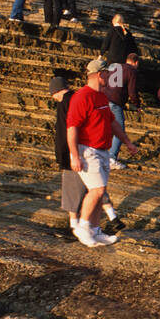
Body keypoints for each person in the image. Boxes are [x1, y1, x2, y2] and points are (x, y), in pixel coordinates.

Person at [66, 57, 138, 246]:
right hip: (87, 150)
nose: (110, 76)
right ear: (99, 75)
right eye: (107, 73)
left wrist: (127, 142)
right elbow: (72, 128)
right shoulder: (82, 97)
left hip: (102, 150)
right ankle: (82, 227)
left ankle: (95, 230)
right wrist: (74, 155)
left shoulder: (101, 96)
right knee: (97, 191)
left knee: (99, 190)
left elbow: (112, 122)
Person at [50, 75, 85, 241]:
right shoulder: (79, 98)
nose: (53, 98)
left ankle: (74, 227)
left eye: (52, 94)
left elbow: (66, 131)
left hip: (72, 154)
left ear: (56, 91)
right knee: (88, 190)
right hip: (86, 150)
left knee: (72, 190)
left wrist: (64, 156)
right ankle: (86, 225)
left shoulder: (64, 103)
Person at [104, 55, 139, 168]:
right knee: (119, 130)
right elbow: (132, 92)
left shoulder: (116, 66)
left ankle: (100, 154)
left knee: (105, 127)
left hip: (104, 99)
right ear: (136, 62)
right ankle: (112, 158)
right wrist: (137, 104)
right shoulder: (132, 71)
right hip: (115, 102)